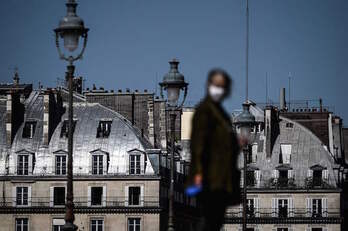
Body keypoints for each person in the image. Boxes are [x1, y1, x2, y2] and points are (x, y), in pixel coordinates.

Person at [188, 68, 243, 231]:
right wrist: (198, 173)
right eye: (216, 85)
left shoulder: (220, 113)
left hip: (221, 177)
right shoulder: (205, 111)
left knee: (215, 220)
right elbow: (198, 144)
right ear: (209, 85)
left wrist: (236, 143)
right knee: (211, 220)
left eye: (222, 86)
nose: (219, 89)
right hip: (210, 177)